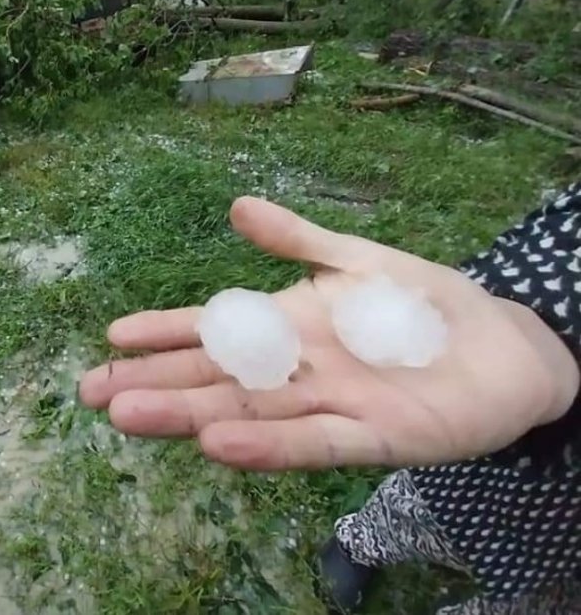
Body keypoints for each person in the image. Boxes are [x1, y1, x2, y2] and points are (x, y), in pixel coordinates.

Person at [78, 185, 581, 614]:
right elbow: (560, 235)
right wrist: (544, 337)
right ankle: (364, 544)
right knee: (431, 505)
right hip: (493, 451)